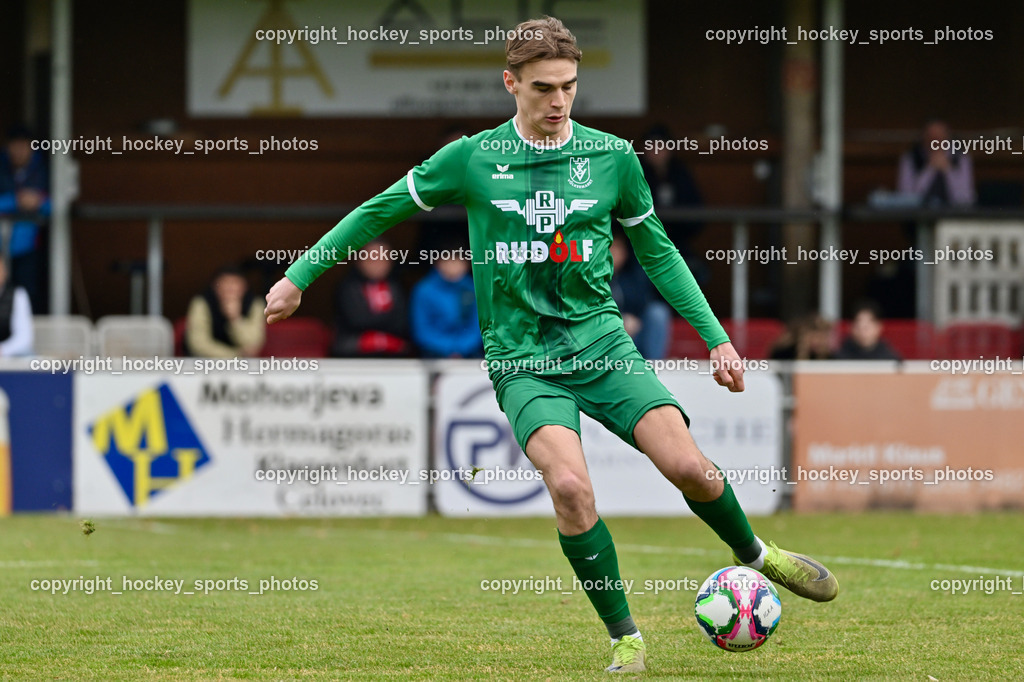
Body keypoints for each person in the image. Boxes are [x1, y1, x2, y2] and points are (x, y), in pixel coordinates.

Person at [264, 17, 837, 674]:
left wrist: (717, 340)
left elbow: (659, 254)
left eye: (568, 85)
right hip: (523, 360)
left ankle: (757, 556)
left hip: (602, 345)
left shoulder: (613, 158)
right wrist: (297, 275)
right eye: (543, 87)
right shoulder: (472, 159)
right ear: (511, 84)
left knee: (691, 470)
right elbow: (377, 211)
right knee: (569, 486)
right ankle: (626, 638)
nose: (559, 100)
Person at [331, 237, 411, 358]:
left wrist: (383, 338)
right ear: (359, 260)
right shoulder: (348, 287)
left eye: (383, 259)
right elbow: (356, 320)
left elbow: (402, 321)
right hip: (353, 350)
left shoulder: (397, 287)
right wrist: (378, 336)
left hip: (393, 350)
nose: (379, 264)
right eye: (373, 259)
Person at [0, 125, 51, 310]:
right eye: (15, 146)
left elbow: (58, 204)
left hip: (29, 247)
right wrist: (15, 200)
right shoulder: (2, 166)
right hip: (0, 247)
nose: (19, 151)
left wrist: (40, 202)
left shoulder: (45, 169)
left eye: (24, 146)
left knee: (28, 296)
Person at [410, 241, 482, 358]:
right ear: (438, 263)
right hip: (434, 354)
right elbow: (422, 330)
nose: (454, 266)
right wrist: (449, 349)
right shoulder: (424, 290)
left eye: (459, 260)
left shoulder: (474, 288)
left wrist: (461, 349)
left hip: (470, 354)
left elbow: (479, 327)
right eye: (449, 260)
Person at [610, 231, 670, 359]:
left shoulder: (634, 274)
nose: (614, 252)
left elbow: (643, 301)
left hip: (634, 333)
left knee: (657, 312)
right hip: (607, 336)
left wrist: (632, 320)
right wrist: (619, 320)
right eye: (610, 247)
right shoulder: (591, 277)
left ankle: (654, 369)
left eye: (618, 247)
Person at [185, 266, 265, 358]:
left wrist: (235, 319)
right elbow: (198, 344)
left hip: (244, 367)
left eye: (235, 283)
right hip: (205, 364)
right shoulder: (201, 302)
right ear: (215, 286)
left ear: (245, 287)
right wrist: (235, 355)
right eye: (225, 283)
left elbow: (253, 344)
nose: (230, 288)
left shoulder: (255, 304)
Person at [897, 119, 975, 207]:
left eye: (940, 137)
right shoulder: (910, 158)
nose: (936, 141)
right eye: (931, 137)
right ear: (923, 138)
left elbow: (966, 199)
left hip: (954, 216)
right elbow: (907, 199)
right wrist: (929, 169)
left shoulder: (961, 157)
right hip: (919, 216)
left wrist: (948, 170)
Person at [835, 301, 901, 361]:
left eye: (867, 327)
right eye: (858, 326)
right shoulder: (840, 357)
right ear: (850, 327)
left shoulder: (889, 357)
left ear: (879, 326)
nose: (862, 331)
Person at [0, 255, 33, 357]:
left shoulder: (18, 295)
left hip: (12, 359)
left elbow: (24, 338)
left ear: (5, 271)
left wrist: (2, 350)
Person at [769, 315, 834, 360]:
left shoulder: (830, 357)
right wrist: (802, 354)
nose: (818, 341)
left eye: (822, 337)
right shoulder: (785, 353)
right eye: (815, 337)